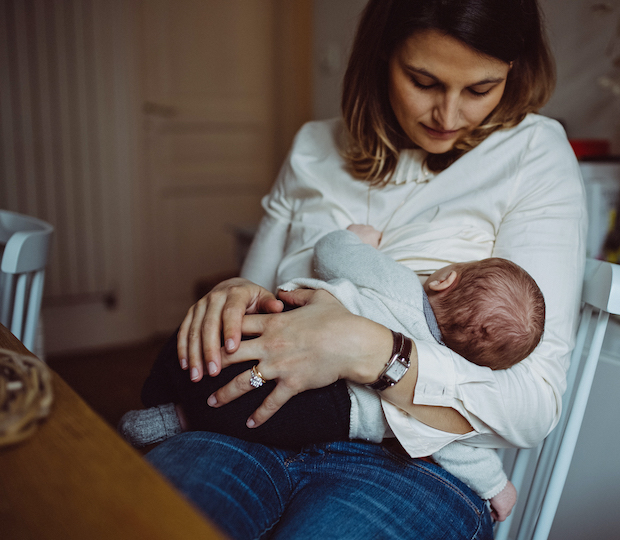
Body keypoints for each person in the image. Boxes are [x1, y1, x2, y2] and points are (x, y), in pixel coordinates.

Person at [145, 0, 586, 538]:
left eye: (479, 89)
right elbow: (257, 294)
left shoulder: (532, 154)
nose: (448, 116)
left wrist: (368, 350)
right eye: (423, 81)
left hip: (411, 466)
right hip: (247, 423)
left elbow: (532, 403)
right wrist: (234, 295)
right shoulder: (312, 148)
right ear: (382, 55)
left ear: (514, 72)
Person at [122, 225, 546, 520]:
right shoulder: (437, 376)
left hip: (289, 329)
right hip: (327, 415)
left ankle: (164, 400)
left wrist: (357, 238)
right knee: (251, 417)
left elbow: (333, 253)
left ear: (445, 280)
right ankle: (178, 418)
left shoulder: (400, 284)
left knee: (216, 351)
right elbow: (453, 443)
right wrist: (497, 487)